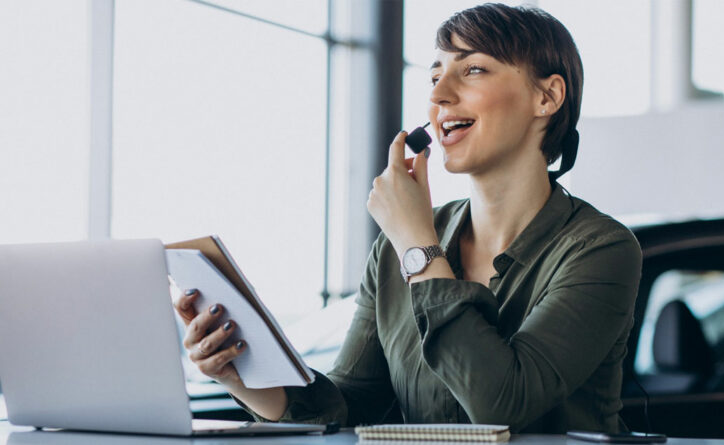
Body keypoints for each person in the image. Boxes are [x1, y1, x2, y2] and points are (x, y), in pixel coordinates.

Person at [174, 3, 642, 434]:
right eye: (434, 75)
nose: (438, 94)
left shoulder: (601, 249)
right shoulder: (397, 246)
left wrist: (418, 246)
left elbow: (502, 404)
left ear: (547, 96)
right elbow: (351, 402)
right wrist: (241, 374)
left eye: (473, 69)